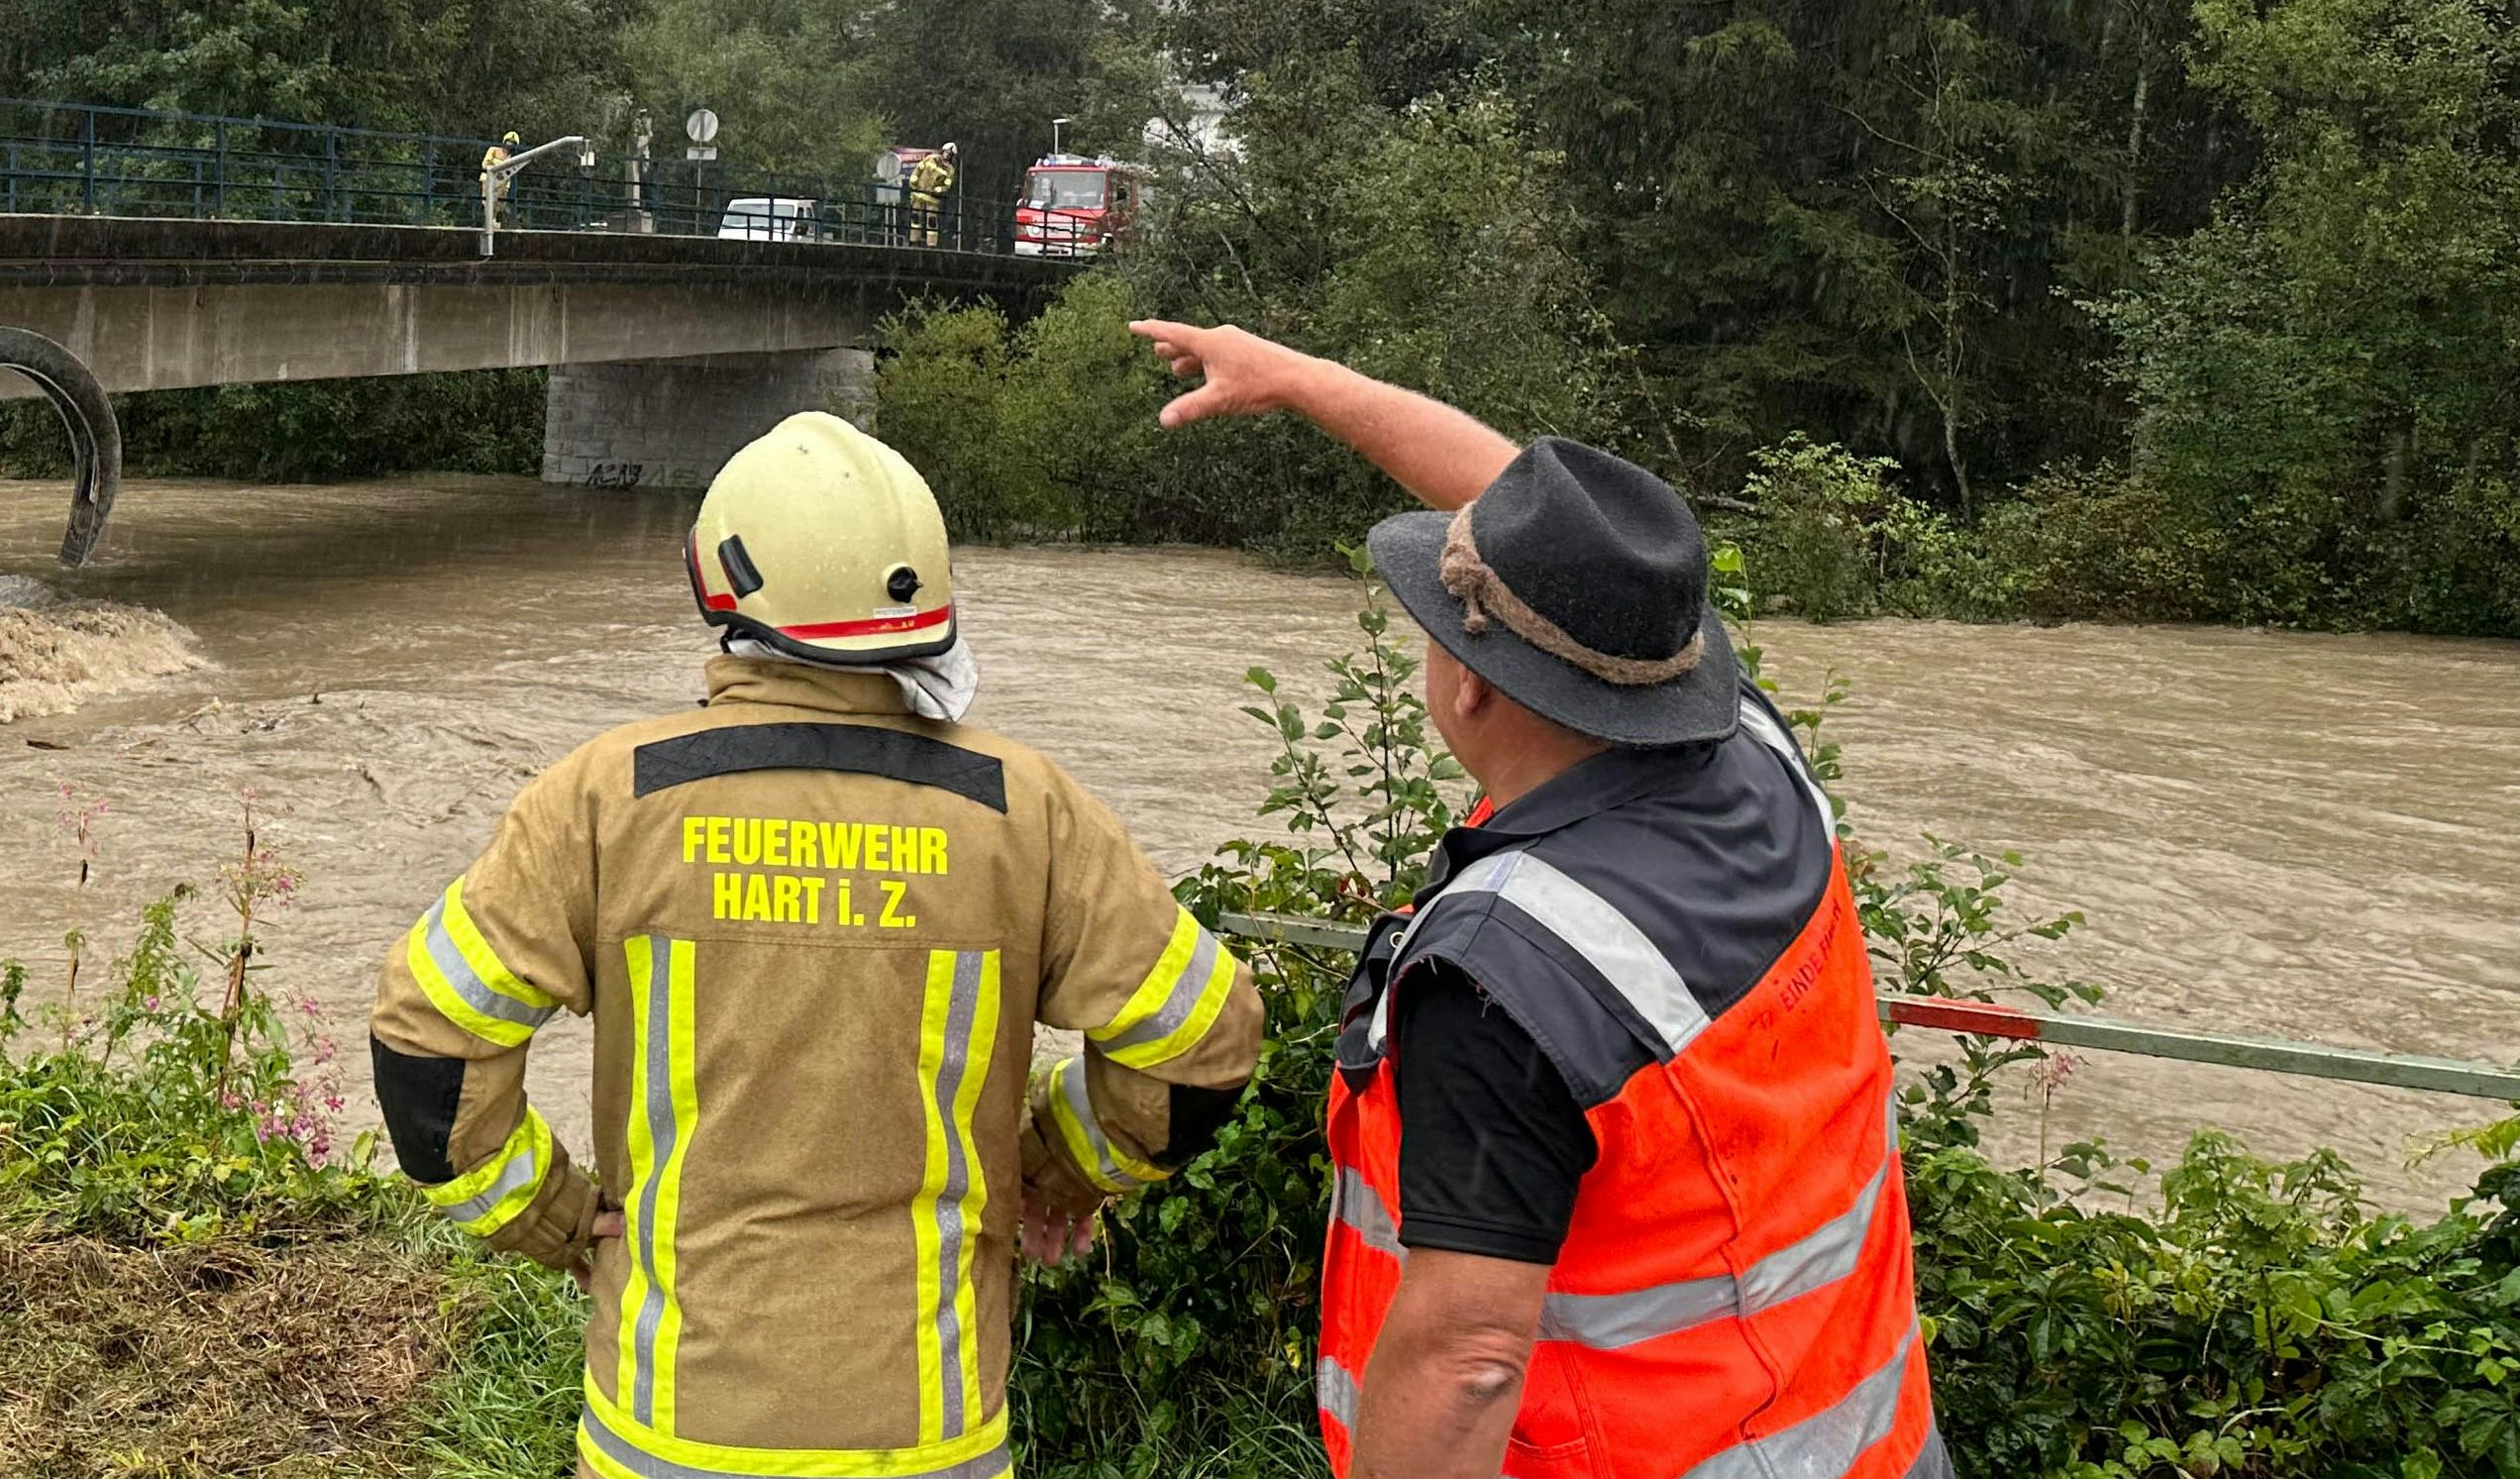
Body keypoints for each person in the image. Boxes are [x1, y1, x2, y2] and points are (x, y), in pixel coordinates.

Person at [372, 412, 1262, 1479]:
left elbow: (428, 1054)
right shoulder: (1025, 811)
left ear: (723, 584)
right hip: (930, 1427)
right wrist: (1054, 1173)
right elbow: (1202, 1045)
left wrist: (559, 1222)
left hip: (669, 1422)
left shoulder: (607, 798)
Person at [1130, 320, 1946, 1479]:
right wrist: (1308, 383)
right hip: (1871, 1444)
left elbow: (1467, 1357)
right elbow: (1553, 536)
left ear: (1469, 684)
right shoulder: (1748, 747)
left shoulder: (1507, 975)